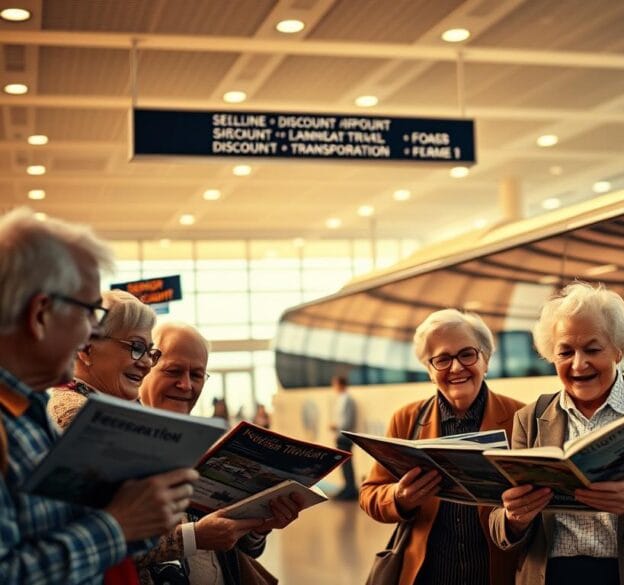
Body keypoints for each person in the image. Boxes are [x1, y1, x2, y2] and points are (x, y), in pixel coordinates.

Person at [0, 208, 197, 584]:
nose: (91, 333)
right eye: (89, 312)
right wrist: (117, 526)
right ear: (41, 312)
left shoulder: (31, 410)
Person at [489, 282, 624, 585]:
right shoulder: (529, 418)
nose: (578, 363)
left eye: (592, 349)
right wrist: (514, 518)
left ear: (619, 349)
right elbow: (499, 524)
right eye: (565, 352)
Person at [360, 309, 524, 585]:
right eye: (442, 359)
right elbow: (370, 494)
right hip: (427, 575)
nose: (456, 368)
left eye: (467, 354)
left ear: (486, 360)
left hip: (498, 573)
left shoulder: (521, 418)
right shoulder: (407, 419)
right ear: (429, 371)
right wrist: (400, 498)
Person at [137, 321, 302, 585]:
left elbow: (244, 548)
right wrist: (193, 537)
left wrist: (259, 526)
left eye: (197, 375)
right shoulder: (120, 447)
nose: (186, 385)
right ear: (144, 366)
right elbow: (110, 544)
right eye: (174, 371)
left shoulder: (210, 447)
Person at [47, 289, 160, 428]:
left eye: (149, 352)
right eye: (137, 347)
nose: (147, 363)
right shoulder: (76, 416)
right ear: (86, 349)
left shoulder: (108, 408)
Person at [329, 374, 358, 499]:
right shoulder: (341, 398)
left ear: (340, 384)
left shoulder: (347, 399)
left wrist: (336, 426)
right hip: (341, 435)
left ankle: (350, 489)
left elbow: (346, 421)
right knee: (344, 464)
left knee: (347, 464)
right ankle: (348, 487)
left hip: (344, 436)